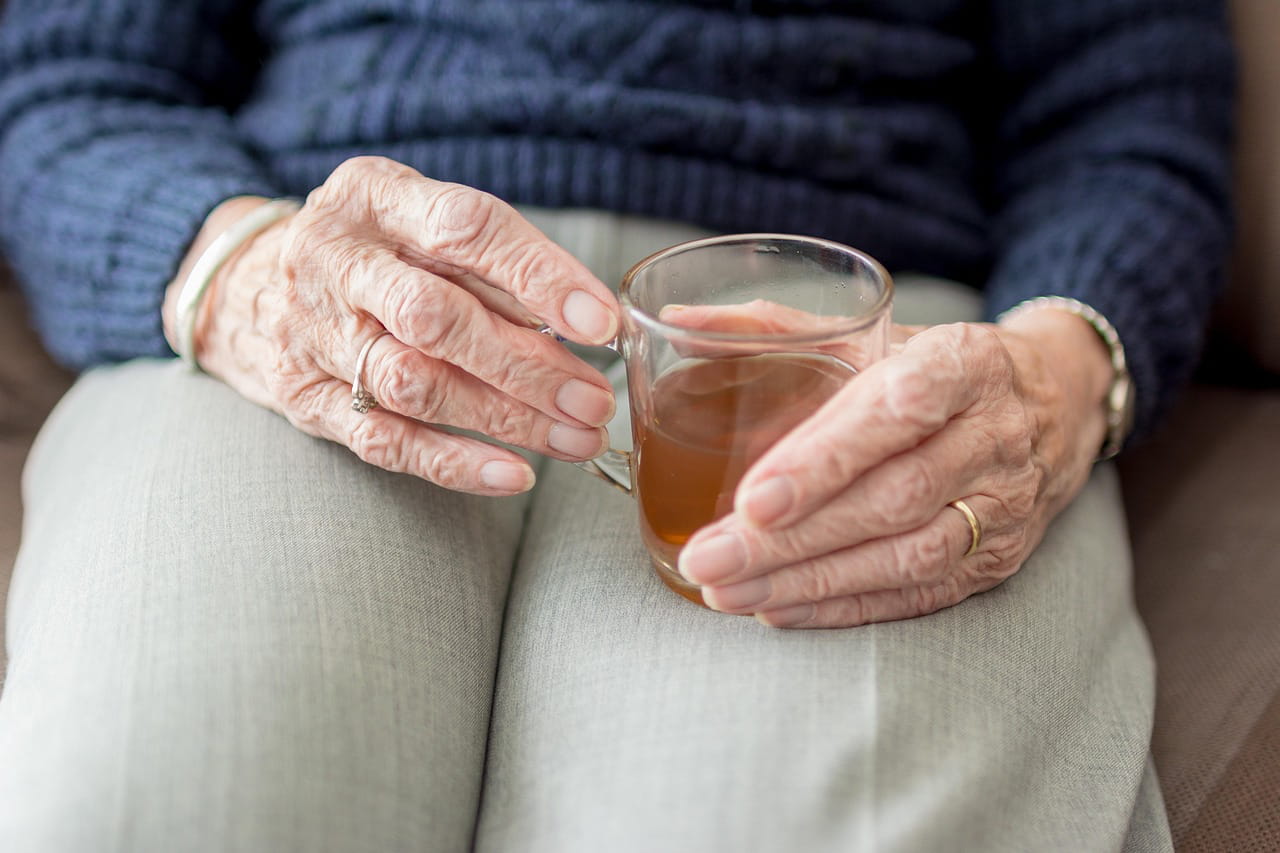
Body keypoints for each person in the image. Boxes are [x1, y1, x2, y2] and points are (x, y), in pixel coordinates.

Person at [0, 0, 1233, 850]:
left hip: (847, 326)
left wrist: (1056, 371)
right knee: (164, 800)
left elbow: (1127, 113)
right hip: (329, 266)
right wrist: (240, 268)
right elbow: (64, 82)